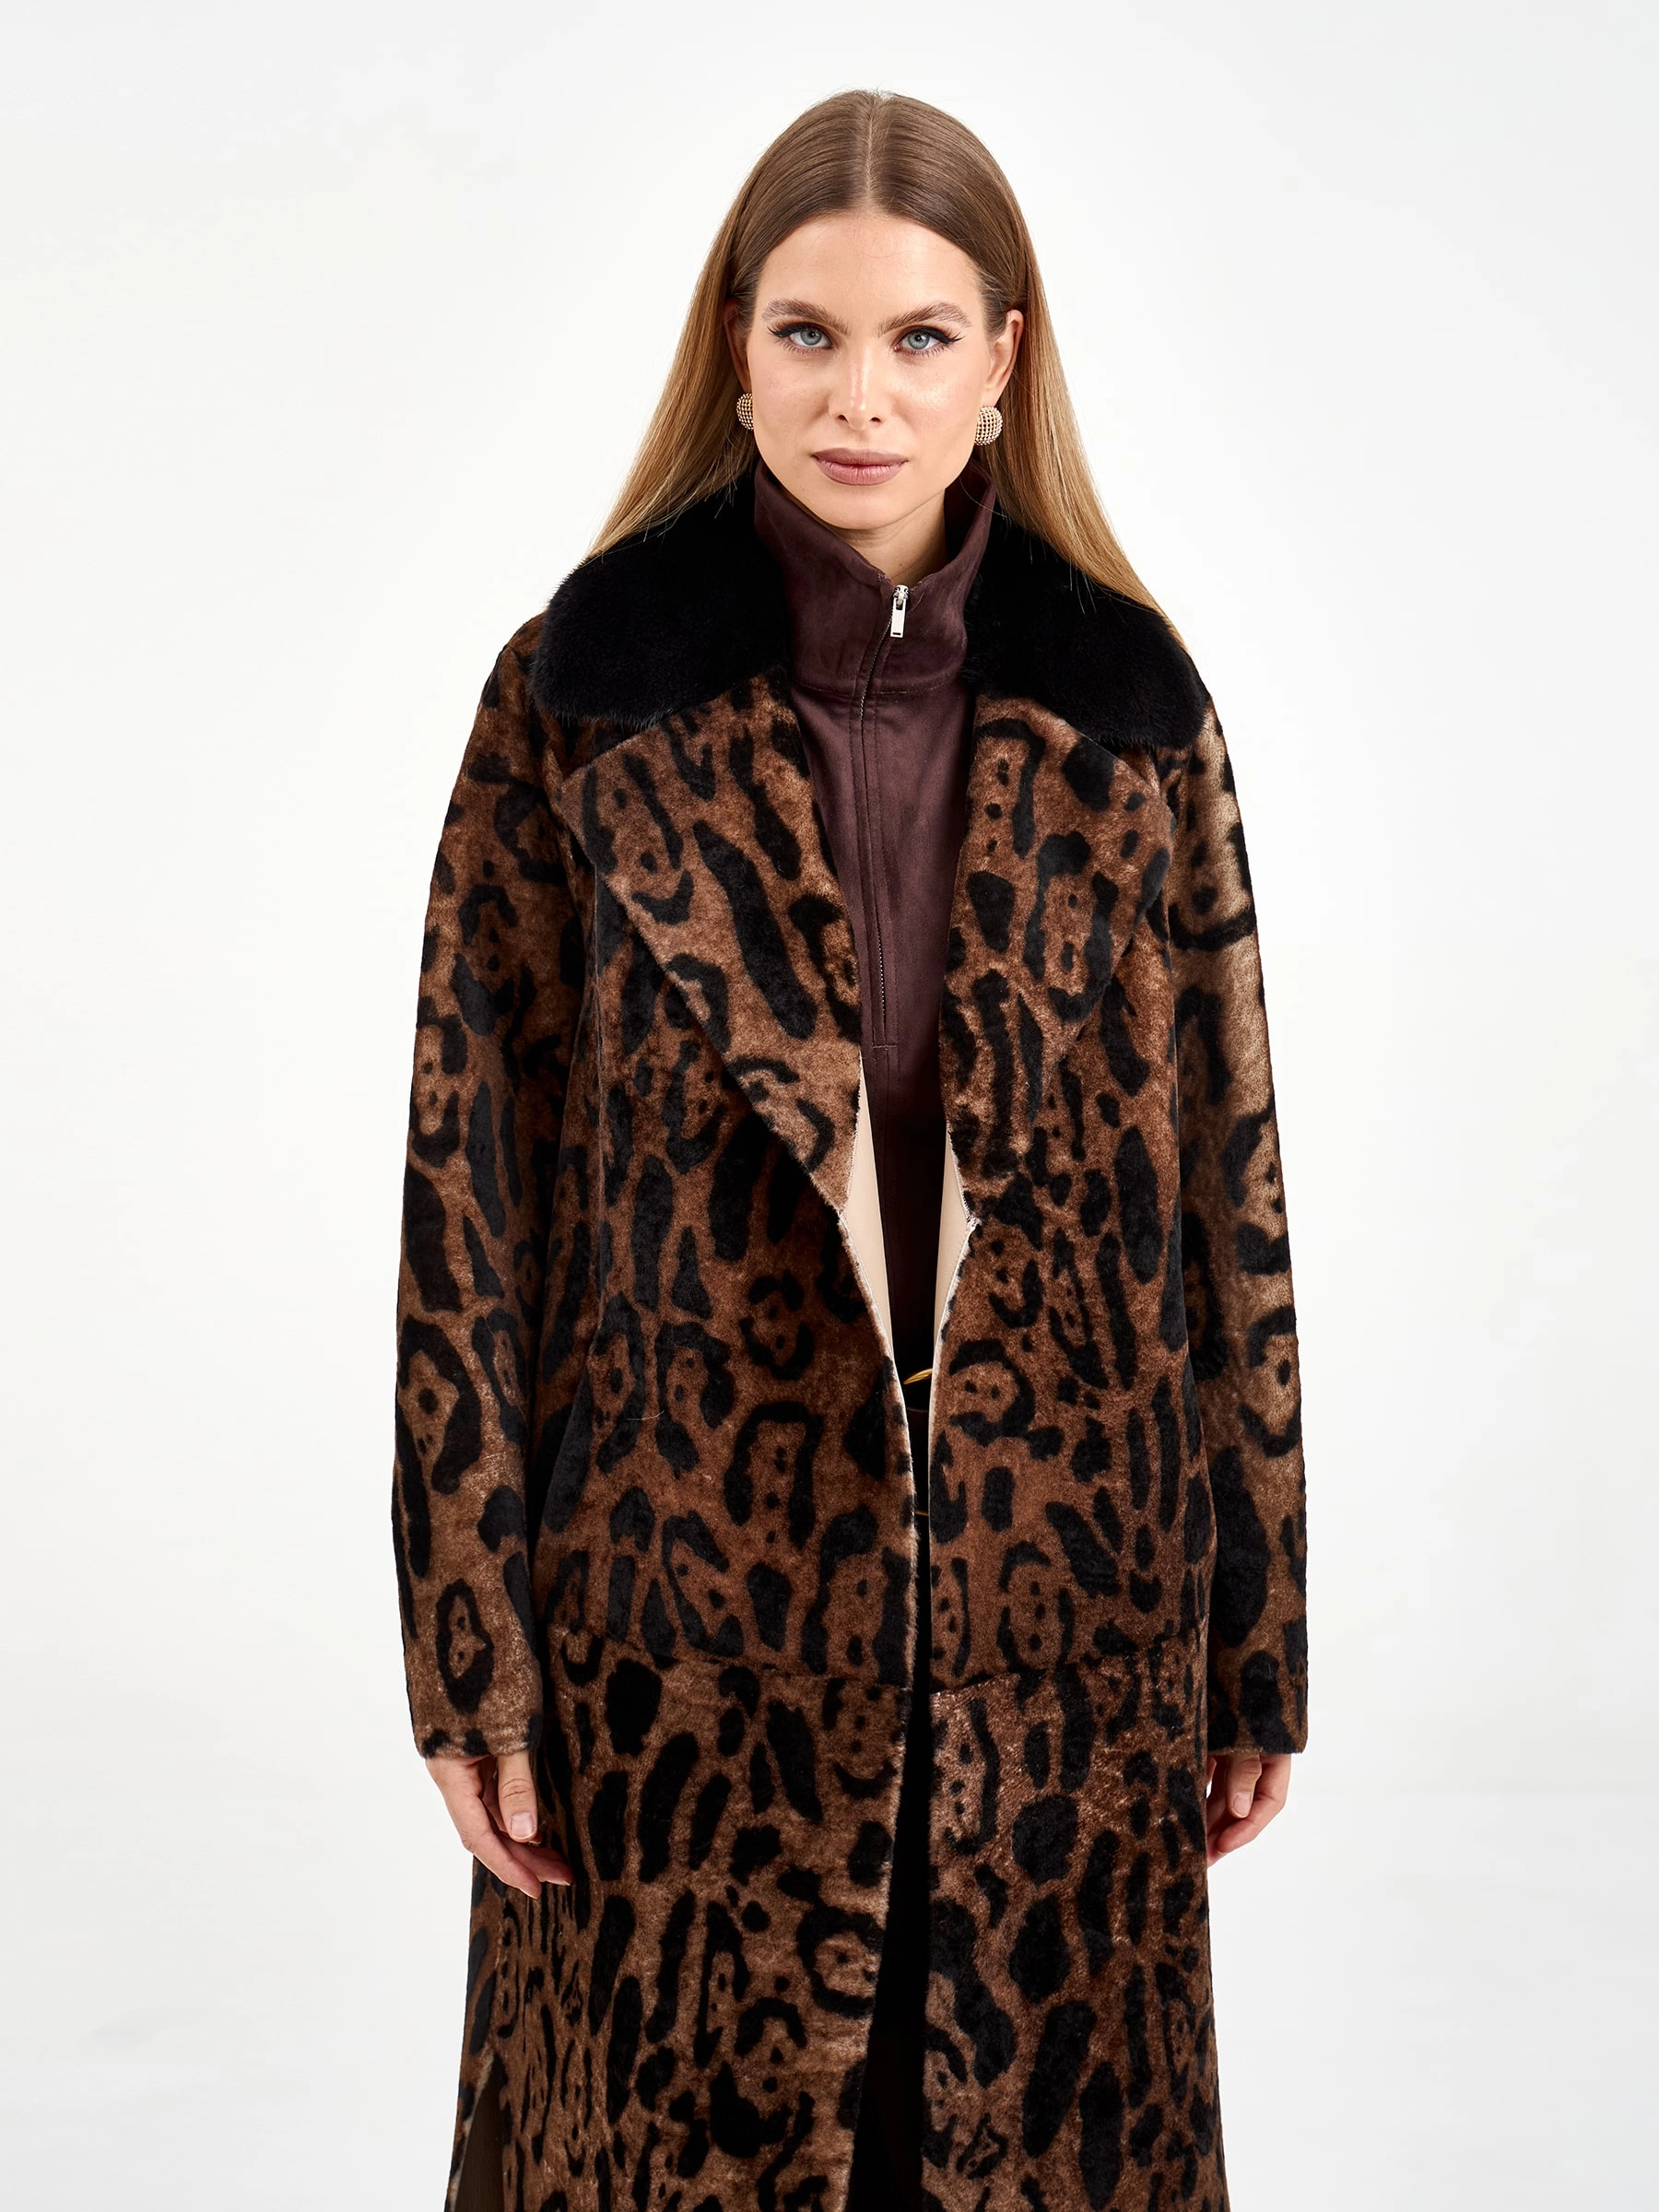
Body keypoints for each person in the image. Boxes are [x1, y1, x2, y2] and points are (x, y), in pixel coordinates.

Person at [393, 88, 1307, 2212]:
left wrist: (1253, 1638)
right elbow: (466, 1195)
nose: (860, 398)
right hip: (678, 1643)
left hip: (1058, 1639)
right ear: (735, 349)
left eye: (917, 338)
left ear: (1004, 360)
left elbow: (1233, 1201)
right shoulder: (580, 704)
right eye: (808, 333)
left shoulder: (1133, 718)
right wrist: (469, 1648)